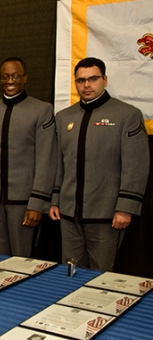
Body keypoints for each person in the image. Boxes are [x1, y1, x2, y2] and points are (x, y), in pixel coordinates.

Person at [49, 57, 149, 271]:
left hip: (106, 215)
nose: (86, 85)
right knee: (70, 272)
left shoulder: (127, 115)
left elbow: (136, 166)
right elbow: (59, 164)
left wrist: (125, 208)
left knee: (101, 275)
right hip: (68, 214)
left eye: (92, 79)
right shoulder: (64, 117)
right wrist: (55, 200)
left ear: (104, 79)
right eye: (81, 80)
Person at [0, 57, 56, 257]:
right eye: (5, 77)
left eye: (16, 76)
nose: (10, 81)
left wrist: (37, 204)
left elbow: (46, 160)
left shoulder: (41, 110)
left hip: (24, 202)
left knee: (23, 260)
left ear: (25, 78)